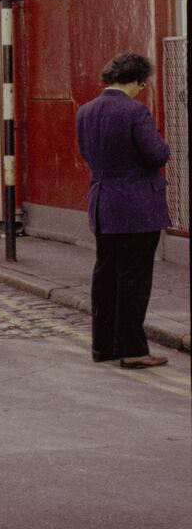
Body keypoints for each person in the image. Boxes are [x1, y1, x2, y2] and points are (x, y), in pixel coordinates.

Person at [75, 52, 171, 370]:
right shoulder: (135, 111)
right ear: (138, 81)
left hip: (103, 205)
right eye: (143, 84)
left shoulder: (85, 111)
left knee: (105, 276)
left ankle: (103, 347)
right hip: (136, 208)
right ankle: (132, 350)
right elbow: (156, 154)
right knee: (134, 278)